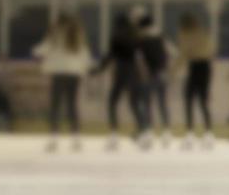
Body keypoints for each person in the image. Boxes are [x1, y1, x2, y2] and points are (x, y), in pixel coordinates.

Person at [32, 11, 91, 151]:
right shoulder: (77, 35)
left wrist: (35, 52)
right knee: (72, 105)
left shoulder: (55, 34)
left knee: (55, 105)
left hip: (58, 73)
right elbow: (85, 55)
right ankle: (76, 138)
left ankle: (54, 138)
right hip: (74, 74)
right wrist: (85, 68)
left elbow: (41, 50)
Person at [95, 11, 148, 149]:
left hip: (122, 72)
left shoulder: (117, 36)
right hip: (134, 72)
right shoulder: (136, 36)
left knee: (113, 101)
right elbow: (142, 55)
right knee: (135, 103)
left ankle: (113, 135)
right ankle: (143, 133)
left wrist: (98, 69)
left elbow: (111, 55)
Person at [135, 8, 176, 147]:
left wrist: (143, 73)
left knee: (147, 104)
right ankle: (166, 132)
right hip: (162, 73)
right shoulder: (161, 37)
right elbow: (172, 52)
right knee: (162, 103)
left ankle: (148, 132)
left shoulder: (142, 40)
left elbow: (139, 59)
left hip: (149, 74)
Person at [176, 10, 215, 149]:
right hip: (204, 67)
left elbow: (183, 53)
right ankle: (207, 133)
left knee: (190, 99)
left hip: (197, 67)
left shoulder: (186, 34)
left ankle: (191, 133)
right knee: (202, 101)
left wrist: (174, 69)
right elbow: (210, 50)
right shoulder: (202, 32)